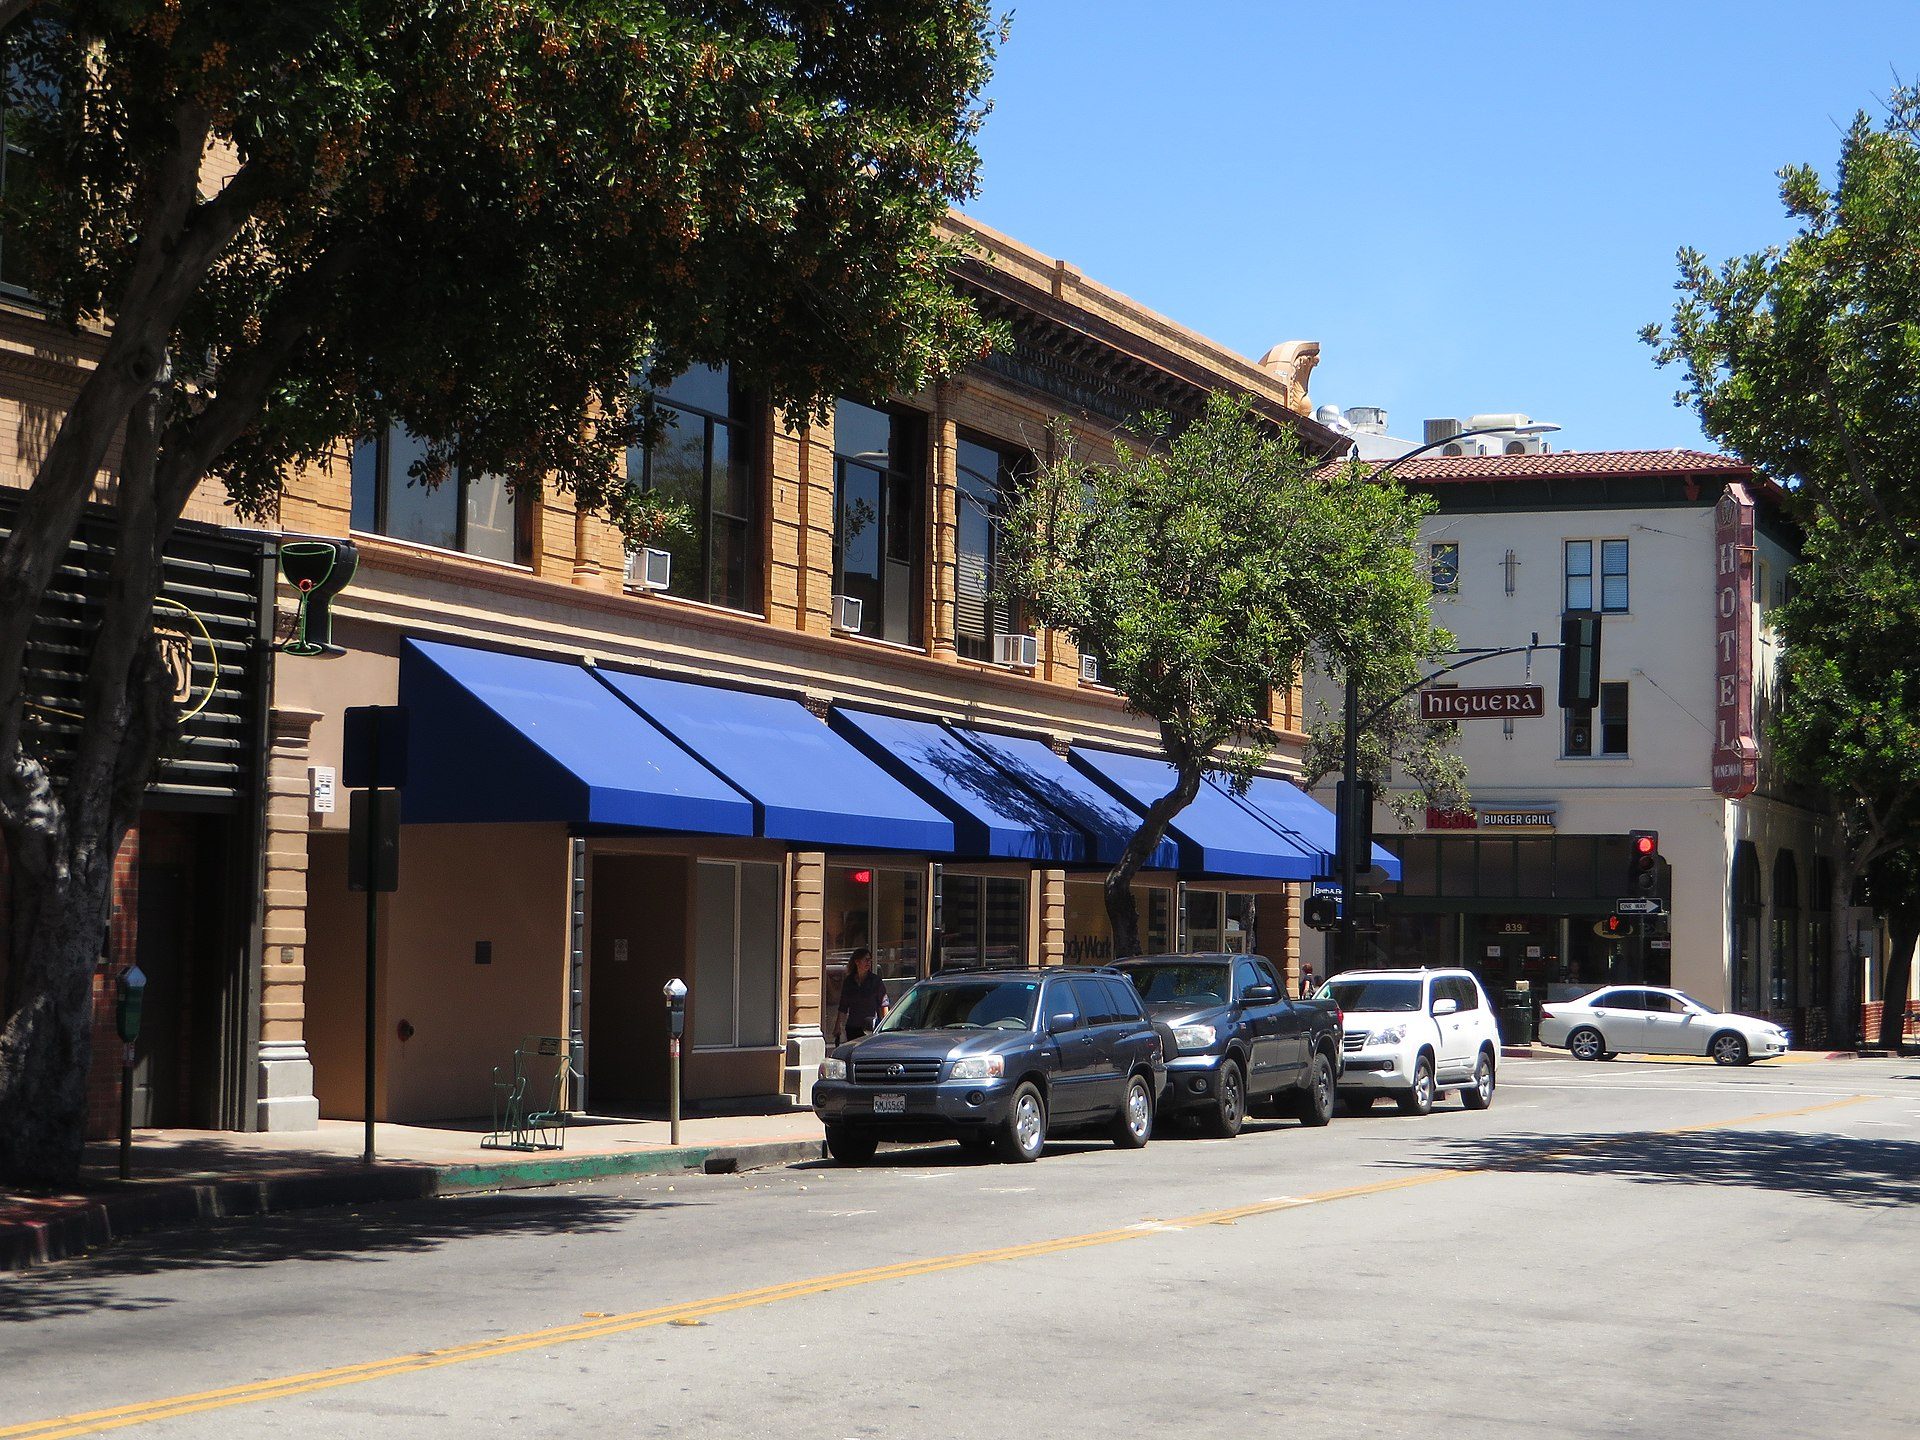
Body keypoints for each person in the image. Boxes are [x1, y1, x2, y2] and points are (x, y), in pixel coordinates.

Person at [835, 948, 889, 1043]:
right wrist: (838, 1026)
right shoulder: (849, 982)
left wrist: (885, 1027)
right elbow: (843, 1006)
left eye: (870, 960)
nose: (869, 962)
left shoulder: (875, 981)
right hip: (852, 1027)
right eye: (866, 960)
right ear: (857, 962)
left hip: (870, 1028)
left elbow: (884, 1004)